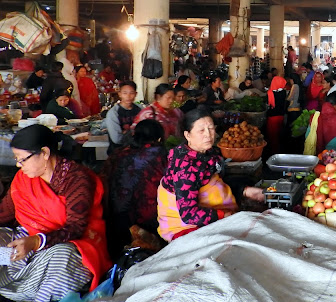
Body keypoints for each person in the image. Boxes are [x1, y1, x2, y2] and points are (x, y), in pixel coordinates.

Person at [0, 125, 110, 302]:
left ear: (44, 152)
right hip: (27, 237)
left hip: (70, 243)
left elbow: (75, 228)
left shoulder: (77, 179)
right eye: (17, 159)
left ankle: (40, 296)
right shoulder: (23, 178)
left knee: (62, 256)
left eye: (22, 159)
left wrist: (36, 242)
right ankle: (18, 288)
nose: (18, 165)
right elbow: (5, 213)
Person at [156, 108, 264, 242]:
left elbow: (216, 184)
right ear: (187, 135)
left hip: (216, 215)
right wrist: (224, 215)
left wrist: (244, 191)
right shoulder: (185, 167)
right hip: (188, 228)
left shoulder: (208, 153)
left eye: (211, 128)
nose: (208, 134)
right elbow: (189, 214)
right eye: (201, 130)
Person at [100, 119, 168, 258]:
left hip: (115, 220)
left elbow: (103, 180)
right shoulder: (161, 154)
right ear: (159, 138)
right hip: (149, 221)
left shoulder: (117, 153)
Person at [105, 80, 141, 152]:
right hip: (119, 152)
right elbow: (117, 139)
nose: (128, 96)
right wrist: (134, 132)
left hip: (138, 151)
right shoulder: (113, 113)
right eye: (125, 93)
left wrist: (126, 132)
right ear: (119, 94)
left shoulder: (140, 109)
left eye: (131, 93)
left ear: (136, 94)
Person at [265, 76, 288, 157]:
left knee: (272, 137)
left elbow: (267, 105)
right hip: (281, 116)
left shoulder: (270, 93)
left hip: (272, 117)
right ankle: (280, 151)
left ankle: (274, 153)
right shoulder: (283, 93)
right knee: (279, 135)